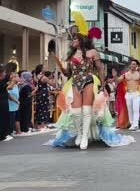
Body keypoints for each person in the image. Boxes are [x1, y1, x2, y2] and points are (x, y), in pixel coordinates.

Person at [48, 12, 134, 149]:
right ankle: (81, 133)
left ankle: (85, 138)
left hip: (88, 81)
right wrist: (60, 66)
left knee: (87, 110)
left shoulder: (93, 52)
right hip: (75, 82)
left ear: (81, 39)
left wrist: (102, 84)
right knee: (76, 111)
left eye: (75, 38)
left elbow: (100, 69)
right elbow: (68, 73)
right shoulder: (72, 54)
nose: (73, 41)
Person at [113, 60, 140, 131]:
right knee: (130, 110)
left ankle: (136, 124)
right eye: (131, 64)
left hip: (136, 94)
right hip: (128, 94)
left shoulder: (139, 74)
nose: (132, 65)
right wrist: (115, 76)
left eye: (134, 64)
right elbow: (118, 81)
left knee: (136, 109)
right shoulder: (126, 74)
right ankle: (132, 124)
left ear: (136, 66)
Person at [34, 65, 55, 131]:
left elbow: (37, 86)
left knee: (38, 108)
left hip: (38, 94)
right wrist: (54, 78)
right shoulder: (44, 77)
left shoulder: (35, 77)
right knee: (44, 108)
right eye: (44, 68)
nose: (46, 68)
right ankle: (42, 125)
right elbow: (52, 84)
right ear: (41, 69)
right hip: (44, 94)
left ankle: (37, 124)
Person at [0, 65, 14, 142]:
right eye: (4, 72)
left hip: (4, 101)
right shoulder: (1, 82)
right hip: (2, 101)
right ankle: (2, 135)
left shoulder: (2, 81)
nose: (5, 74)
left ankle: (3, 134)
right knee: (3, 118)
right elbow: (10, 87)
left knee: (4, 117)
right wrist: (13, 80)